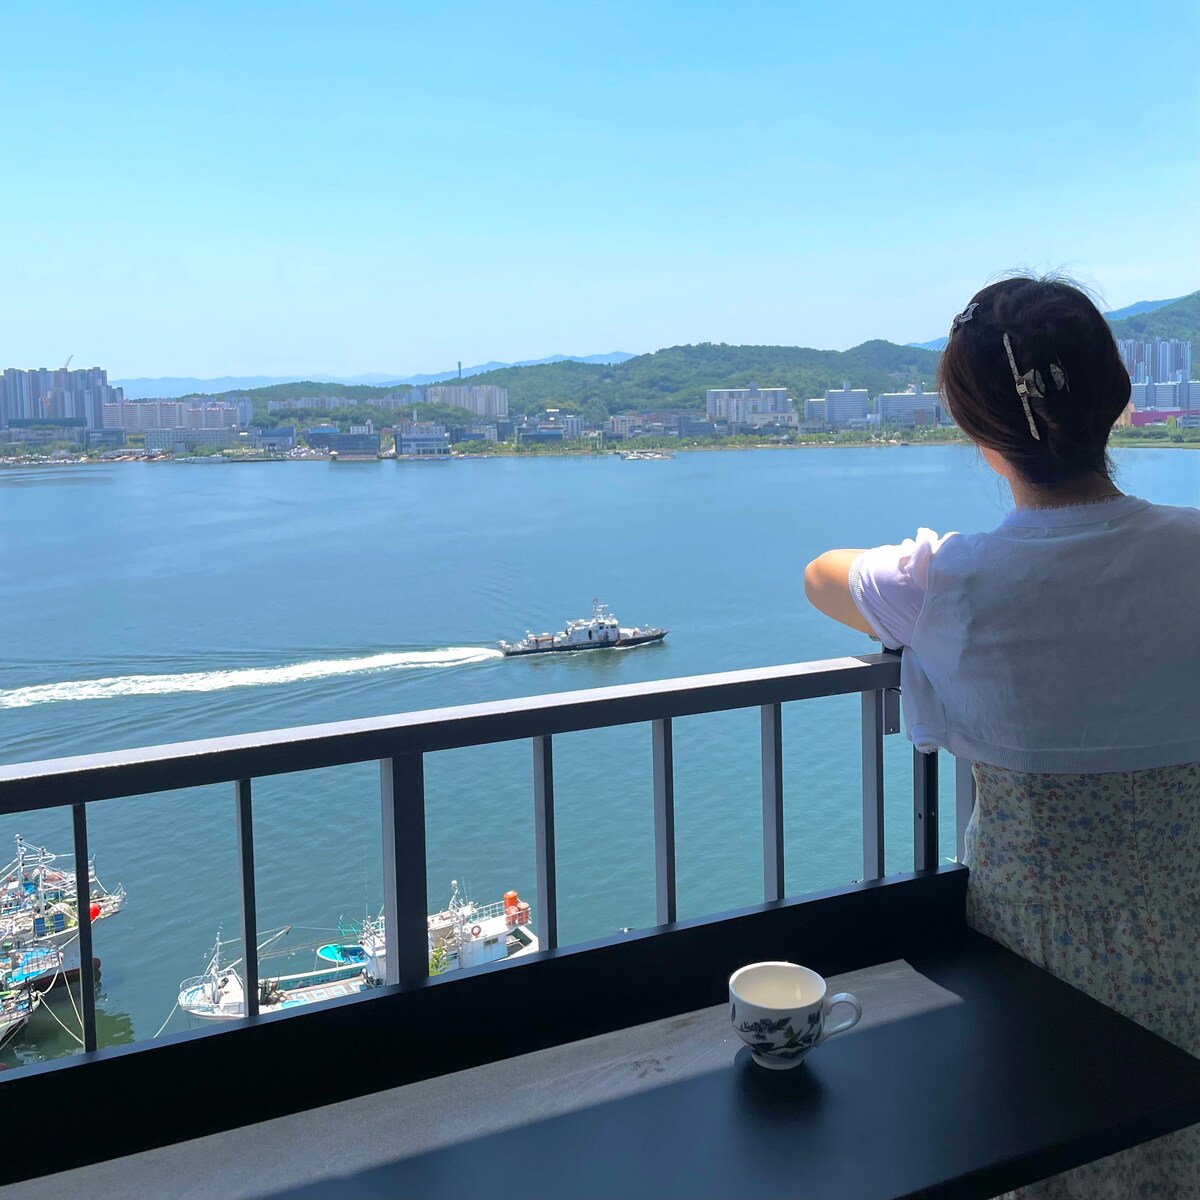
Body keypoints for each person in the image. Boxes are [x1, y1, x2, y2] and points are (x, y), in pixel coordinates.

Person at [804, 275, 1200, 1198]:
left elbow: (822, 577)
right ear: (1121, 400)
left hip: (1037, 965)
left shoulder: (950, 581)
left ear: (980, 435)